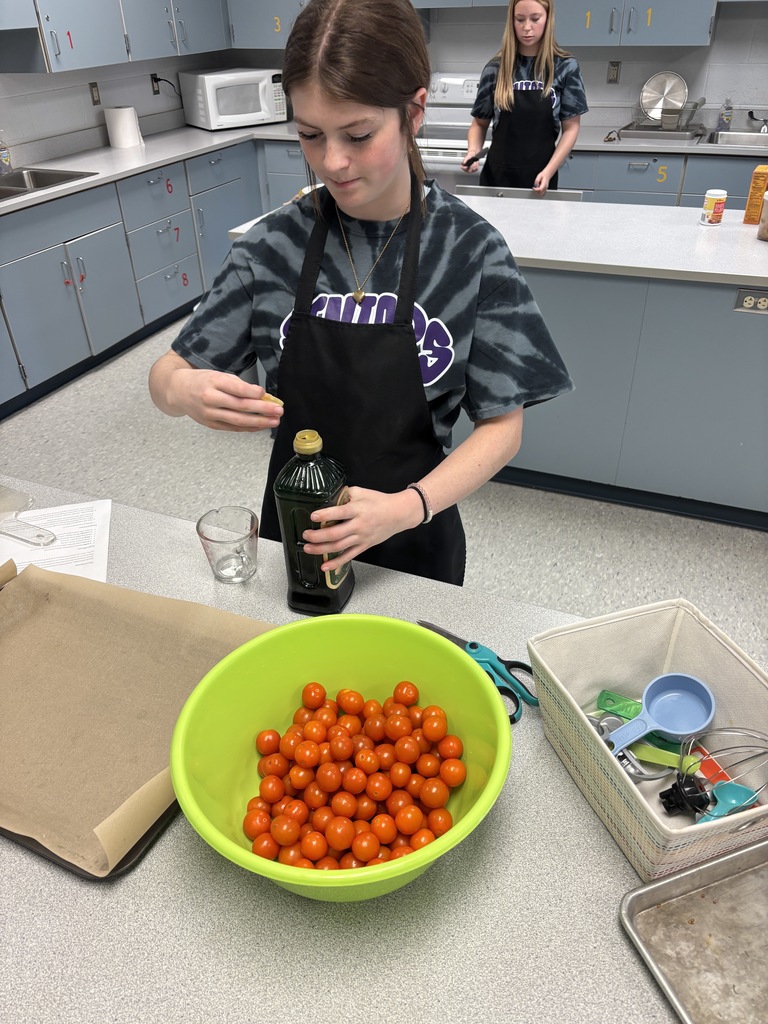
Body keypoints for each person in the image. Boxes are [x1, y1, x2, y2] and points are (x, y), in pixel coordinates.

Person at [148, 0, 573, 587]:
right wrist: (183, 389)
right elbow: (166, 374)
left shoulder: (471, 252)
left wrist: (407, 507)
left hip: (416, 544)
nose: (332, 161)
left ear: (414, 112)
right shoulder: (272, 246)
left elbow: (503, 428)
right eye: (309, 135)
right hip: (299, 543)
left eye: (358, 134)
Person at [463, 0, 587, 193]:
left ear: (548, 19)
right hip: (496, 178)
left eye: (535, 19)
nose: (527, 27)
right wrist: (473, 151)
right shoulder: (495, 68)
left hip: (541, 178)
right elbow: (479, 123)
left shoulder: (565, 67)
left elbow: (571, 128)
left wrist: (549, 171)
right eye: (520, 19)